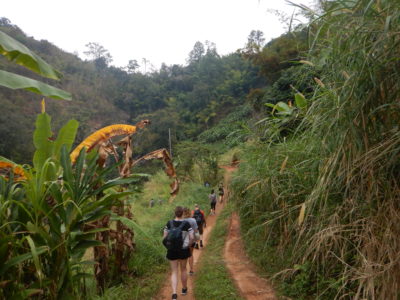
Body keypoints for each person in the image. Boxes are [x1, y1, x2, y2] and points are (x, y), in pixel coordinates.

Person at [163, 206, 194, 299]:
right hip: (183, 250)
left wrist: (169, 246)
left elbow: (164, 238)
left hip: (172, 251)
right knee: (183, 269)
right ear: (182, 213)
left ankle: (174, 293)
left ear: (175, 213)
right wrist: (189, 245)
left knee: (174, 271)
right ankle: (184, 289)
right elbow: (192, 237)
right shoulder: (186, 224)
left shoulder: (169, 223)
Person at [183, 207, 198, 275]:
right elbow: (196, 231)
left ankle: (184, 270)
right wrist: (197, 239)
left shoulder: (181, 221)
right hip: (192, 240)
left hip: (183, 241)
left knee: (184, 256)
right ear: (189, 212)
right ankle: (191, 270)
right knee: (190, 254)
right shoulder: (193, 220)